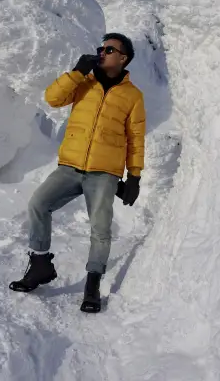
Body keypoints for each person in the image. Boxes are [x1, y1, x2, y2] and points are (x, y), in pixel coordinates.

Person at [9, 33, 146, 313]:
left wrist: (134, 176)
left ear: (123, 58)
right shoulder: (84, 82)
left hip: (104, 173)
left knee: (100, 229)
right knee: (38, 204)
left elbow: (136, 137)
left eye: (110, 49)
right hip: (70, 166)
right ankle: (40, 265)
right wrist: (76, 72)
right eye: (101, 48)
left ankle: (92, 284)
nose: (103, 52)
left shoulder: (133, 96)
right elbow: (52, 98)